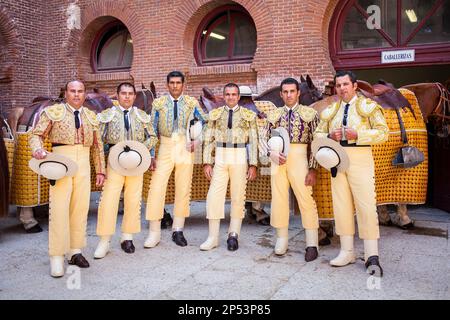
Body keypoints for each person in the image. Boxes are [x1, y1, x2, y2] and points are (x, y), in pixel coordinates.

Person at [314, 70, 389, 275]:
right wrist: (329, 135)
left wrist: (359, 134)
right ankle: (347, 251)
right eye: (338, 85)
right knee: (341, 205)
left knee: (366, 205)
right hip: (337, 159)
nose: (342, 89)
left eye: (345, 84)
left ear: (354, 86)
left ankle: (372, 255)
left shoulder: (368, 106)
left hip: (360, 158)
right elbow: (317, 133)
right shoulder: (331, 110)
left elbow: (384, 133)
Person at [29, 80, 106, 277]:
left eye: (80, 91)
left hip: (83, 165)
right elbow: (36, 135)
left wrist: (100, 170)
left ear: (85, 94)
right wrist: (37, 149)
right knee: (59, 210)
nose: (77, 94)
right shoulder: (53, 112)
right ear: (66, 93)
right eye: (72, 91)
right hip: (60, 164)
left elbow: (97, 146)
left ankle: (75, 251)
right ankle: (56, 256)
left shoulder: (91, 116)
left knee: (80, 209)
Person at [94, 82, 158, 259]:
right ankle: (104, 241)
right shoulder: (107, 115)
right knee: (109, 200)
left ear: (134, 96)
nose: (127, 97)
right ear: (117, 95)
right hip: (114, 161)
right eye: (124, 93)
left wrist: (140, 150)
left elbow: (152, 137)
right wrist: (106, 157)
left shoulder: (142, 115)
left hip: (136, 162)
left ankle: (127, 237)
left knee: (133, 199)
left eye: (130, 94)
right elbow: (98, 141)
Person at [144, 71, 207, 248]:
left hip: (185, 146)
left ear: (183, 84)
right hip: (165, 145)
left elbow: (206, 121)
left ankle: (178, 230)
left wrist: (197, 140)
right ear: (167, 84)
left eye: (178, 82)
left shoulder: (191, 102)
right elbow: (151, 129)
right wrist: (150, 154)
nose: (175, 86)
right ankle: (154, 232)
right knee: (156, 187)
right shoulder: (159, 103)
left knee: (183, 187)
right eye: (172, 82)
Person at [263, 77, 320, 261]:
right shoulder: (273, 115)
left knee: (305, 198)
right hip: (277, 159)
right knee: (278, 198)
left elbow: (316, 143)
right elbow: (263, 140)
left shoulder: (310, 114)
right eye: (285, 92)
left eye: (292, 91)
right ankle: (282, 239)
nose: (289, 95)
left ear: (298, 93)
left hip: (299, 157)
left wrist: (313, 169)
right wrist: (270, 154)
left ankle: (312, 243)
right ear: (281, 94)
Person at [200, 83, 258, 251]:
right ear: (224, 96)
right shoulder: (215, 114)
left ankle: (233, 235)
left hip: (239, 155)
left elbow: (253, 141)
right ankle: (213, 237)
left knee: (238, 196)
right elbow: (208, 138)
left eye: (234, 94)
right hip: (220, 154)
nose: (231, 97)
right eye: (228, 94)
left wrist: (253, 164)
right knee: (213, 196)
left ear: (238, 97)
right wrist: (206, 162)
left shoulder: (249, 115)